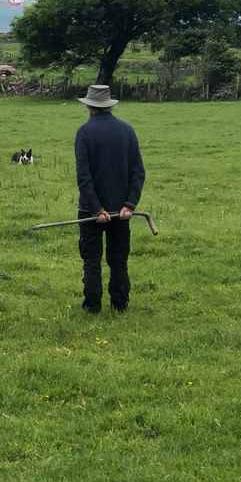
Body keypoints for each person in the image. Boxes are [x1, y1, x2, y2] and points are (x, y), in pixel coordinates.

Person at [75, 85, 146, 313]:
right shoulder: (127, 130)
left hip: (90, 212)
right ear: (108, 106)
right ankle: (120, 305)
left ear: (89, 106)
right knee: (118, 260)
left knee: (91, 261)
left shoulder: (84, 132)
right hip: (121, 212)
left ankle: (92, 307)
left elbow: (84, 177)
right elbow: (138, 172)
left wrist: (96, 209)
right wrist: (129, 205)